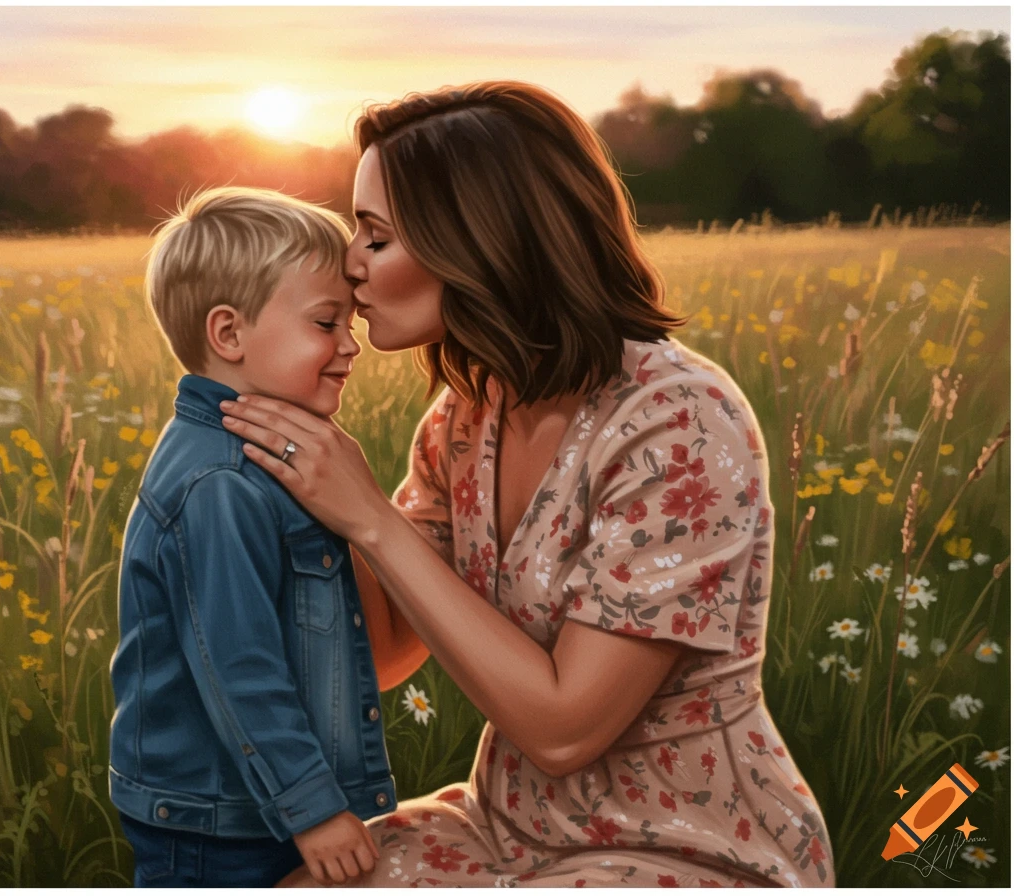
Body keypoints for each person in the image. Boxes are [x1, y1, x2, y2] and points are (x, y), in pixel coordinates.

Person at [219, 82, 835, 886]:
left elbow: (563, 731)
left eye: (375, 236)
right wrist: (265, 490)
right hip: (504, 824)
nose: (350, 263)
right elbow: (386, 652)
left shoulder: (679, 424)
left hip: (680, 842)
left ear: (478, 241)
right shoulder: (466, 416)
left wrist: (369, 516)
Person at [108, 187, 396, 887]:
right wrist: (313, 809)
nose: (349, 345)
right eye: (326, 322)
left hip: (240, 805)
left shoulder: (264, 454)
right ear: (229, 335)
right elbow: (239, 664)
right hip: (219, 825)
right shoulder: (222, 484)